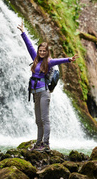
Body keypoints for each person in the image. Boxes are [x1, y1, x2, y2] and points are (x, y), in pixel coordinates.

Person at [17, 21, 78, 152]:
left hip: (44, 92)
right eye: (40, 50)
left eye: (44, 51)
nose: (42, 52)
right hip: (35, 93)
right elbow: (29, 46)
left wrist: (69, 59)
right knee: (38, 120)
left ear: (47, 52)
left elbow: (58, 60)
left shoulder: (48, 62)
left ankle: (46, 144)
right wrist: (23, 32)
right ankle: (38, 143)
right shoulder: (35, 58)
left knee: (45, 119)